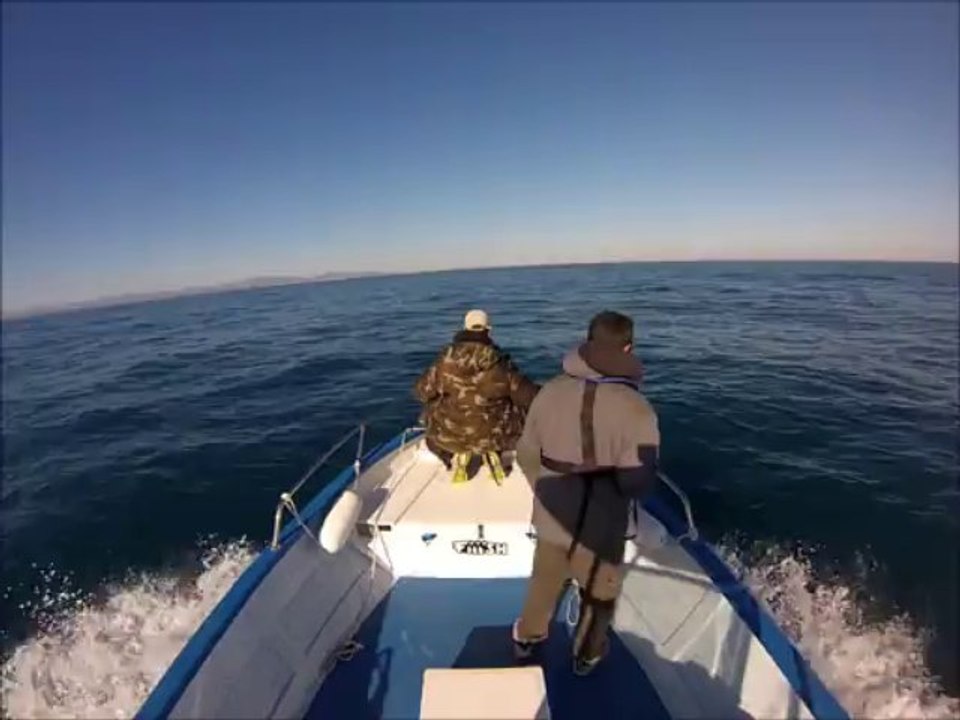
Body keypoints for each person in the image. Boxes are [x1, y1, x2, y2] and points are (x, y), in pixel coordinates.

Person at [512, 310, 660, 675]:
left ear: (587, 343)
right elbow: (637, 483)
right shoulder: (637, 408)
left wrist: (545, 489)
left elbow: (525, 453)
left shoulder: (548, 391)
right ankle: (586, 655)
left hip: (551, 518)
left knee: (544, 581)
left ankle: (527, 639)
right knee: (600, 597)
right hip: (601, 529)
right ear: (628, 347)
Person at [414, 309, 540, 483]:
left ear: (464, 328)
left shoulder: (443, 362)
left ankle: (453, 456)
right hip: (494, 436)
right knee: (520, 408)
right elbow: (530, 397)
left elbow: (421, 392)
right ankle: (493, 452)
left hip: (449, 435)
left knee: (431, 408)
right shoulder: (500, 363)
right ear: (488, 329)